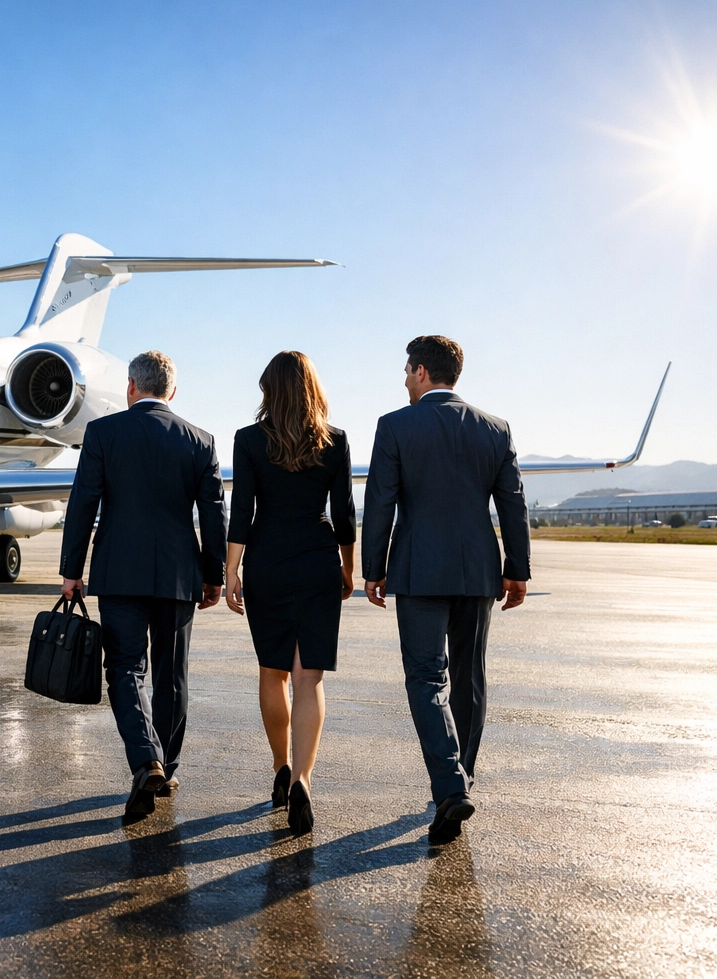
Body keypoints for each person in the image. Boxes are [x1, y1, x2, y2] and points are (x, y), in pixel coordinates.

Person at [361, 335, 530, 845]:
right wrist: (517, 569)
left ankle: (451, 785)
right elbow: (513, 504)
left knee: (426, 679)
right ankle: (462, 778)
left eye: (406, 371)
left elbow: (380, 503)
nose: (404, 380)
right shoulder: (495, 428)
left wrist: (373, 569)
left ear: (420, 372)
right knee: (469, 677)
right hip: (477, 572)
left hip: (419, 571)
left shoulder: (395, 426)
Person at [59, 350, 227, 823]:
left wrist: (72, 569)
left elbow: (82, 503)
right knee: (172, 675)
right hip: (178, 574)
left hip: (119, 573)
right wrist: (213, 574)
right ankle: (165, 768)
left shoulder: (103, 433)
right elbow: (215, 514)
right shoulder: (200, 440)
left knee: (125, 669)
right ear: (173, 391)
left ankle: (145, 758)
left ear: (131, 387)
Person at [223, 351, 355, 836]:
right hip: (318, 560)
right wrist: (348, 568)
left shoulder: (248, 440)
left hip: (267, 562)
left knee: (272, 670)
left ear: (269, 390)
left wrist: (231, 569)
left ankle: (281, 768)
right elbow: (344, 514)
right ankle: (303, 779)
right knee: (309, 677)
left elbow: (241, 511)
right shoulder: (335, 440)